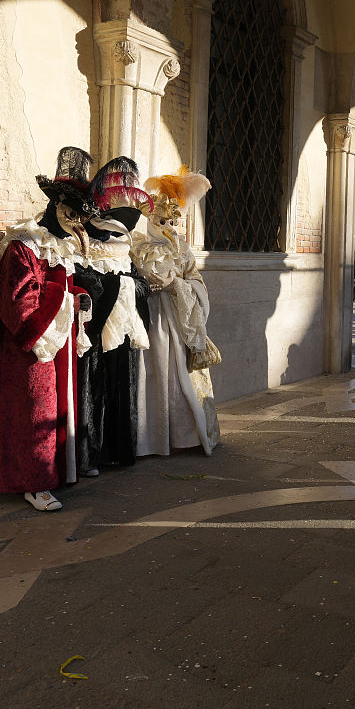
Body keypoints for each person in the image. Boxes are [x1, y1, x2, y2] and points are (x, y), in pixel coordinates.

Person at [0, 147, 96, 512]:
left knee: (56, 411)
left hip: (56, 341)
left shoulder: (60, 246)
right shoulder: (23, 247)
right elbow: (17, 303)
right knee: (36, 411)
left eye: (81, 217)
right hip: (30, 347)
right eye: (71, 212)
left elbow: (65, 285)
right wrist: (62, 300)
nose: (77, 223)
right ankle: (33, 483)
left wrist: (80, 298)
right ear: (55, 206)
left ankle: (53, 474)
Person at [131, 167, 222, 457]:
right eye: (161, 220)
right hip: (153, 318)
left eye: (171, 220)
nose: (167, 225)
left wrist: (181, 287)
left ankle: (186, 436)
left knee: (183, 374)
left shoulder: (182, 248)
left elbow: (196, 279)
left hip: (181, 319)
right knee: (156, 373)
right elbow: (139, 279)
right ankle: (154, 439)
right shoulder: (137, 246)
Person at [73, 157, 154, 475]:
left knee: (123, 387)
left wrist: (128, 285)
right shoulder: (82, 245)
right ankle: (90, 454)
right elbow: (81, 283)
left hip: (122, 335)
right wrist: (105, 286)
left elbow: (142, 287)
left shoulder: (124, 248)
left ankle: (119, 450)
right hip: (94, 335)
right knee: (93, 390)